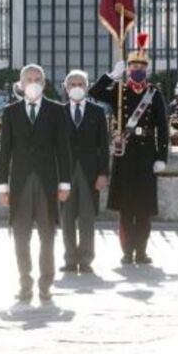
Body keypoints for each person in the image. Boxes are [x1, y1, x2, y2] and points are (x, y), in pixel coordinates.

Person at [89, 31, 169, 265]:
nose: (137, 69)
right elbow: (94, 93)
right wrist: (111, 76)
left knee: (143, 207)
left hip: (146, 155)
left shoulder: (154, 93)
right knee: (125, 207)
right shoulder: (119, 90)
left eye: (141, 65)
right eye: (133, 65)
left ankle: (141, 251)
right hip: (124, 153)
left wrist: (161, 156)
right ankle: (126, 251)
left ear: (147, 68)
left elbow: (162, 128)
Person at [0, 64, 72, 302]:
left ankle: (45, 285)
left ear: (44, 81)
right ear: (21, 83)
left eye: (37, 79)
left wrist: (65, 183)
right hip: (19, 185)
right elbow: (5, 152)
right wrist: (2, 186)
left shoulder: (57, 110)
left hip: (48, 185)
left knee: (47, 237)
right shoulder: (10, 112)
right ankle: (25, 284)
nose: (33, 82)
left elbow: (63, 150)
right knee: (21, 238)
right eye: (28, 79)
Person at [59, 70, 109, 276]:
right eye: (73, 84)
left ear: (86, 87)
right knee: (67, 217)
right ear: (66, 87)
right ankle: (70, 259)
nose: (76, 88)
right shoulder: (58, 111)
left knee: (87, 217)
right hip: (65, 172)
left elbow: (104, 146)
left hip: (90, 171)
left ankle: (86, 259)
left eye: (80, 84)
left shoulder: (97, 112)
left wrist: (103, 173)